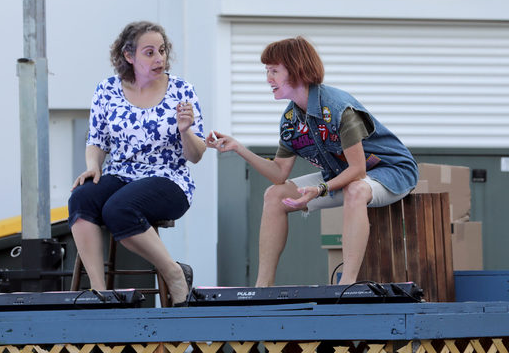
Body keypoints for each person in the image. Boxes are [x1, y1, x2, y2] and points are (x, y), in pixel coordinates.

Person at [207, 36, 418, 286]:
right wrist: (239, 148)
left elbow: (359, 170)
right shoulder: (290, 119)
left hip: (389, 172)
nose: (268, 79)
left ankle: (345, 285)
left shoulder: (339, 109)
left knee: (355, 189)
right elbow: (278, 174)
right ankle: (262, 288)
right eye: (267, 72)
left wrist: (320, 189)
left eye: (274, 71)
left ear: (296, 70)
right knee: (274, 195)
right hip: (338, 174)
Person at [68, 21, 206, 306]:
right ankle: (100, 293)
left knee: (118, 208)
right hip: (121, 174)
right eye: (150, 52)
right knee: (81, 198)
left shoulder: (182, 90)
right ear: (128, 56)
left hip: (169, 179)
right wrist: (93, 165)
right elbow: (96, 139)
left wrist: (185, 130)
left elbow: (196, 154)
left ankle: (174, 272)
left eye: (163, 51)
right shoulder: (107, 90)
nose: (160, 59)